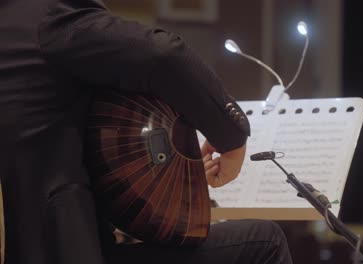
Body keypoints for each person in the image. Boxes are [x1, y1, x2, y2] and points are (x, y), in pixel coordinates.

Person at [0, 0, 293, 263]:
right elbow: (162, 54)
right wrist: (231, 137)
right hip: (71, 250)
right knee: (264, 241)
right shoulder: (45, 17)